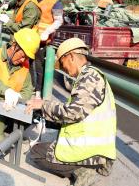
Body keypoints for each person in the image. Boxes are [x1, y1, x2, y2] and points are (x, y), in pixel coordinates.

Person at [26, 38, 116, 184]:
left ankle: (83, 170)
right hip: (92, 147)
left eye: (62, 64)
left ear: (71, 57)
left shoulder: (90, 78)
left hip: (91, 151)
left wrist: (43, 105)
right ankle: (83, 167)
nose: (63, 69)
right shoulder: (87, 76)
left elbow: (72, 113)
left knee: (36, 153)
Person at [33, 0, 64, 97]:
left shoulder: (55, 1)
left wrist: (47, 32)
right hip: (30, 37)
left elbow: (59, 20)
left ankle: (39, 92)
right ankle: (31, 88)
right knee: (29, 65)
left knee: (39, 67)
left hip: (43, 40)